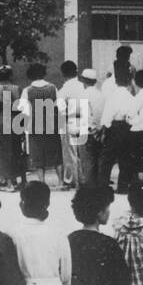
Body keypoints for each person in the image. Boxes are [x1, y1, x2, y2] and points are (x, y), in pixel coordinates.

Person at [21, 63, 62, 186]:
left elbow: (24, 110)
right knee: (56, 155)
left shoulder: (27, 91)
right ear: (44, 73)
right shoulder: (53, 88)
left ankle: (42, 182)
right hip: (51, 125)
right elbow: (59, 106)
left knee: (38, 155)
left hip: (35, 127)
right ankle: (61, 182)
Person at [98, 61, 135, 193]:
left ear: (116, 82)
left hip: (113, 128)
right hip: (126, 128)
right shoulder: (131, 97)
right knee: (125, 158)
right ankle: (123, 187)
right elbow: (132, 116)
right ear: (129, 82)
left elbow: (107, 115)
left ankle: (103, 186)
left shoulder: (112, 97)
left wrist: (103, 130)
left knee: (107, 158)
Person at [0, 65, 23, 190]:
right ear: (10, 75)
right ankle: (12, 180)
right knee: (14, 150)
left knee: (1, 152)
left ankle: (6, 180)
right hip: (14, 120)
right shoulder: (17, 89)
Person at [58, 60, 87, 190]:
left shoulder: (64, 89)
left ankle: (74, 181)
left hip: (69, 121)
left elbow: (60, 108)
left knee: (71, 153)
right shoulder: (83, 86)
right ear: (76, 72)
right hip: (84, 121)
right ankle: (84, 178)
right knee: (83, 152)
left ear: (63, 74)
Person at [75, 68, 104, 189]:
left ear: (83, 81)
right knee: (97, 161)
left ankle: (88, 188)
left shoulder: (82, 95)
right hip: (99, 131)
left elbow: (76, 112)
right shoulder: (101, 95)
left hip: (85, 131)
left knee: (86, 162)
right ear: (95, 81)